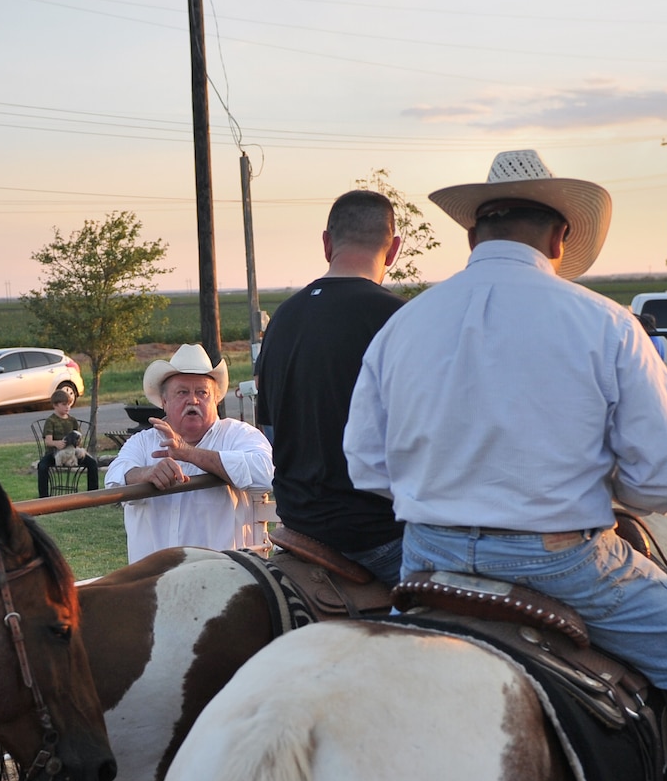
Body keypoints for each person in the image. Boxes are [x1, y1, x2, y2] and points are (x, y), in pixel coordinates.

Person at [345, 149, 667, 781]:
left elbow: (367, 466)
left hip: (426, 563)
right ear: (559, 234)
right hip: (560, 563)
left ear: (475, 229)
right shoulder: (605, 324)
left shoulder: (405, 323)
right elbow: (665, 480)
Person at [255, 188, 407, 584]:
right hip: (378, 536)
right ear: (393, 250)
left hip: (298, 526)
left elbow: (270, 431)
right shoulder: (400, 319)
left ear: (326, 243)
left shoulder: (283, 318)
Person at [104, 344, 273, 562]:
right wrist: (145, 475)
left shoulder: (239, 435)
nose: (193, 400)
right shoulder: (143, 442)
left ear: (215, 400)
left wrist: (187, 453)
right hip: (153, 586)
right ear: (164, 402)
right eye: (182, 392)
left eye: (202, 393)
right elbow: (114, 479)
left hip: (224, 584)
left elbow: (267, 473)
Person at [35, 387, 99, 496]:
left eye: (69, 404)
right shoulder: (51, 421)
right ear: (55, 405)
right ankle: (43, 497)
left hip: (72, 453)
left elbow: (80, 439)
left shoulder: (72, 420)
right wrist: (57, 443)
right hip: (54, 453)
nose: (67, 407)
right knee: (42, 466)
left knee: (92, 464)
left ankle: (93, 495)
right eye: (64, 404)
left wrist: (77, 442)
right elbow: (48, 441)